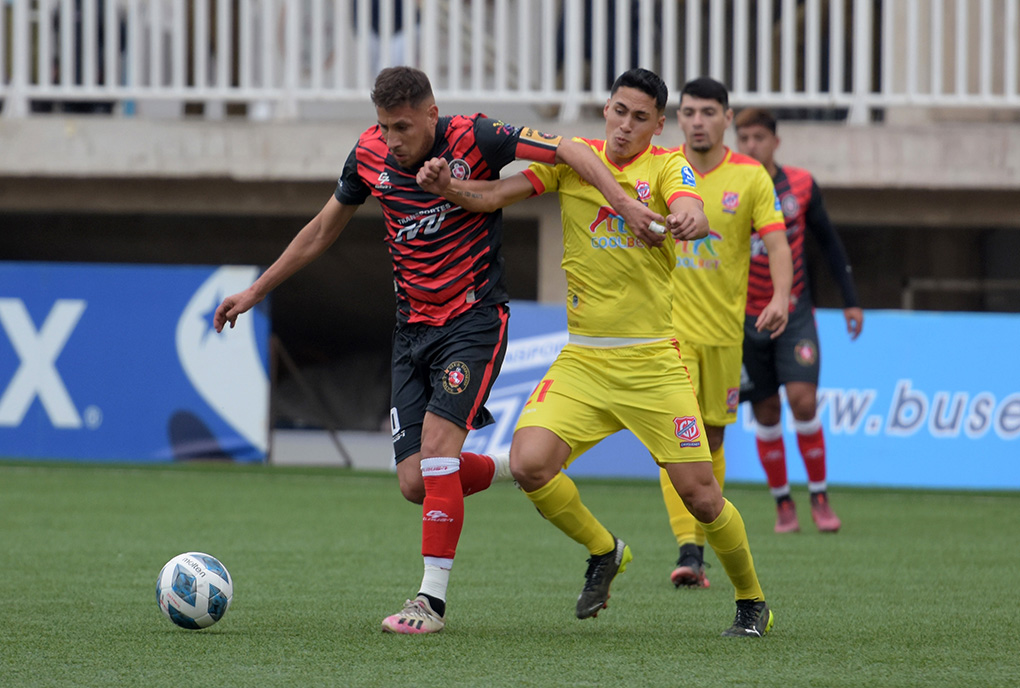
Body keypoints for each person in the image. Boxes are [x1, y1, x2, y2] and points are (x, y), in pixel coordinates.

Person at [212, 66, 661, 635]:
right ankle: (517, 468)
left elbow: (570, 150)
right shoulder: (369, 154)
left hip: (473, 321)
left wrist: (622, 202)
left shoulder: (478, 136)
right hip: (411, 331)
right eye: (384, 126)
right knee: (416, 482)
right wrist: (255, 290)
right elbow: (323, 228)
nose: (393, 139)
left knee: (439, 450)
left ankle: (430, 603)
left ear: (431, 115)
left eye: (403, 127)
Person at [419, 68, 775, 637]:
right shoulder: (573, 159)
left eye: (640, 118)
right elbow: (491, 196)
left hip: (654, 362)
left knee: (703, 497)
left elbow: (695, 209)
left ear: (659, 125)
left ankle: (752, 600)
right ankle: (604, 549)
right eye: (618, 111)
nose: (625, 126)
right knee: (531, 463)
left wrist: (690, 218)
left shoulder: (666, 166)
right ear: (605, 109)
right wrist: (446, 189)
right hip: (584, 359)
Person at [658, 77, 793, 589]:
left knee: (711, 437)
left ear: (727, 119)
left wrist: (779, 297)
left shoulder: (751, 176)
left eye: (707, 112)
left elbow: (778, 245)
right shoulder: (666, 168)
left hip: (723, 334)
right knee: (679, 437)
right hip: (668, 333)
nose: (696, 121)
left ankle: (705, 540)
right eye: (688, 111)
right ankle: (688, 550)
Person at [735, 107, 863, 533]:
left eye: (758, 138)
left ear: (775, 141)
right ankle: (782, 505)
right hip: (742, 319)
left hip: (794, 313)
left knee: (803, 401)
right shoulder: (726, 185)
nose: (750, 146)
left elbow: (829, 242)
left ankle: (821, 498)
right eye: (743, 138)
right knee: (767, 411)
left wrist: (851, 301)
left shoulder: (802, 185)